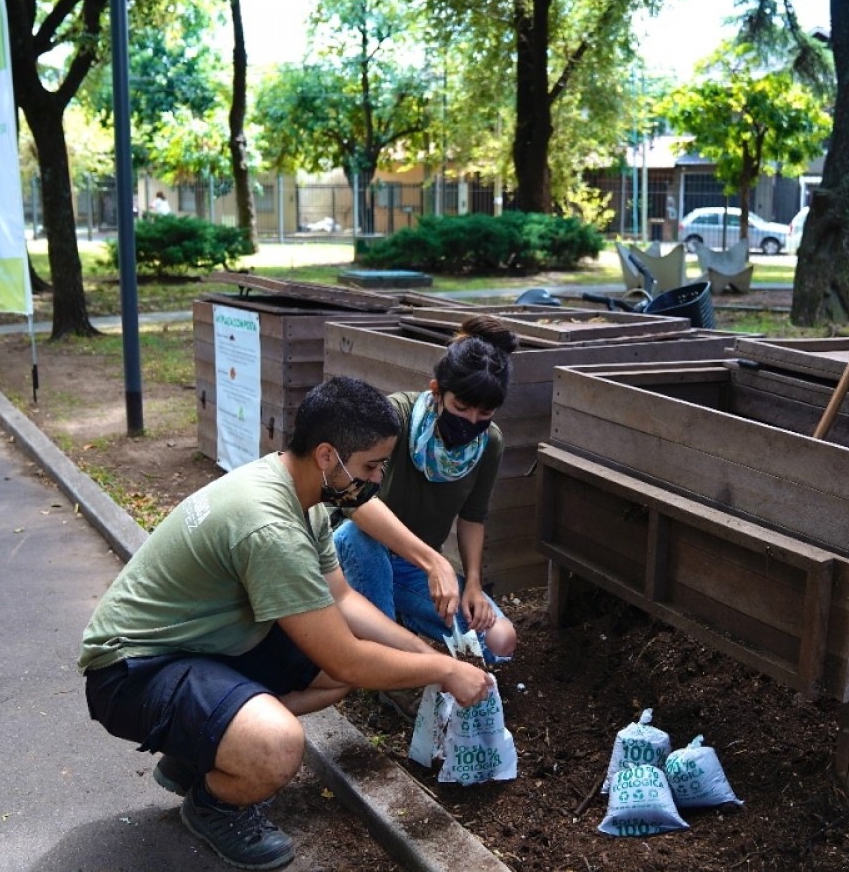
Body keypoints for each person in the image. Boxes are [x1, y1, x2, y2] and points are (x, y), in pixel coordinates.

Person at [79, 376, 490, 870]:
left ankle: (198, 749)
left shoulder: (299, 494)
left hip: (194, 645)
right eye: (371, 466)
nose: (378, 479)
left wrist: (427, 655)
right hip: (129, 671)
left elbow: (343, 601)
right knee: (278, 746)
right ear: (326, 456)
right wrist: (446, 673)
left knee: (331, 676)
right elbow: (350, 659)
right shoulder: (270, 526)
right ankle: (216, 806)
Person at [334, 316, 521, 686]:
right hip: (349, 550)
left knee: (500, 639)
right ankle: (384, 670)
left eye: (485, 413)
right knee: (359, 536)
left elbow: (473, 517)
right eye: (462, 407)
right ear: (437, 391)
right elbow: (352, 498)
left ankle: (392, 625)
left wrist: (473, 586)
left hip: (409, 567)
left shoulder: (490, 443)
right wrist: (435, 562)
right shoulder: (395, 418)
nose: (472, 421)